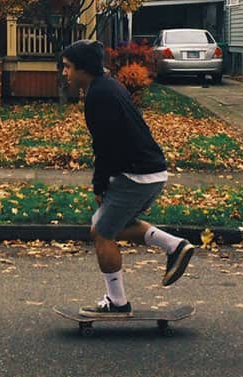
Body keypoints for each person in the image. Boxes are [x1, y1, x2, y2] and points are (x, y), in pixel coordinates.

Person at [61, 39, 195, 317]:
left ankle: (118, 303)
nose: (65, 73)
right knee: (109, 224)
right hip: (149, 171)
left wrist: (99, 186)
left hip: (137, 175)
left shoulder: (99, 95)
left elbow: (105, 146)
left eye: (68, 67)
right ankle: (174, 246)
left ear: (83, 69)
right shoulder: (107, 86)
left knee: (102, 233)